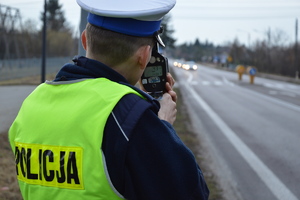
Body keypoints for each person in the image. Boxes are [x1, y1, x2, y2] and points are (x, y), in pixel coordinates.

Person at [8, 0, 209, 199]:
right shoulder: (131, 117)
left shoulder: (31, 104)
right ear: (144, 55)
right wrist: (162, 125)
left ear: (85, 40)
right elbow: (192, 192)